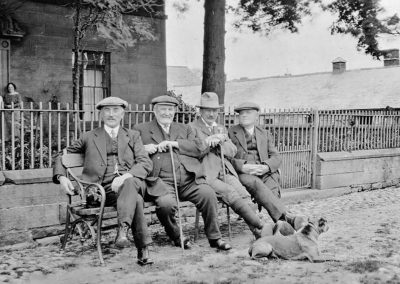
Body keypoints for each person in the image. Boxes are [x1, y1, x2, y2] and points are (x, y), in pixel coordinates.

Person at [53, 96, 154, 265]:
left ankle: (123, 231)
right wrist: (62, 177)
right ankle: (139, 246)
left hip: (128, 184)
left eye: (115, 110)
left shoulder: (133, 135)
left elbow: (145, 162)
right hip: (100, 190)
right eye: (107, 110)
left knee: (130, 184)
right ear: (101, 114)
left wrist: (126, 177)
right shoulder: (88, 136)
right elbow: (61, 156)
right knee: (135, 199)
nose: (111, 114)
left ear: (122, 114)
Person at [134, 95, 231, 250]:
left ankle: (215, 238)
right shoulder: (141, 129)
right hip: (161, 181)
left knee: (208, 195)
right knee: (166, 205)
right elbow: (131, 151)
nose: (167, 113)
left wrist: (175, 143)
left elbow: (199, 148)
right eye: (163, 109)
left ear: (175, 111)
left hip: (189, 179)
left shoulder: (184, 128)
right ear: (154, 111)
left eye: (170, 109)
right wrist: (144, 149)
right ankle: (176, 235)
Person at [189, 92, 267, 239]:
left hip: (225, 171)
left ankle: (257, 231)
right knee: (230, 193)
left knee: (244, 195)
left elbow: (232, 151)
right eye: (208, 110)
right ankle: (260, 228)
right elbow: (193, 153)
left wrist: (221, 142)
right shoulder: (191, 128)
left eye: (214, 110)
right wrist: (208, 142)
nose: (212, 114)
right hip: (206, 174)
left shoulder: (221, 128)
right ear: (200, 111)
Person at [228, 102, 306, 229]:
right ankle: (285, 218)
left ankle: (281, 226)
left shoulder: (264, 133)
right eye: (241, 113)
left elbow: (276, 156)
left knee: (272, 186)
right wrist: (242, 166)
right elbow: (226, 158)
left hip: (262, 170)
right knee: (256, 184)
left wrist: (266, 167)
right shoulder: (231, 132)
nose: (244, 116)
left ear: (256, 116)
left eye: (248, 113)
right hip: (243, 173)